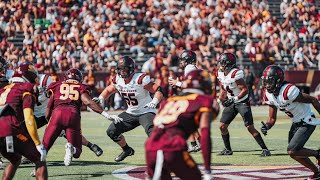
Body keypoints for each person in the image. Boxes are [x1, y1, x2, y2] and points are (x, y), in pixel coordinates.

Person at [145, 69, 219, 180]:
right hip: (172, 148)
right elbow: (205, 134)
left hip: (151, 148)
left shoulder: (168, 101)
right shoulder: (203, 101)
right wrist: (207, 170)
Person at [42, 68, 122, 166]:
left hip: (57, 114)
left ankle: (38, 167)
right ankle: (71, 148)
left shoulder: (57, 85)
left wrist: (50, 122)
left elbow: (48, 108)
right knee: (77, 152)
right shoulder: (81, 86)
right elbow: (88, 102)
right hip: (73, 115)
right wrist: (106, 115)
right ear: (79, 78)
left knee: (45, 146)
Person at [22, 74, 104, 166]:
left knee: (66, 133)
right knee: (23, 130)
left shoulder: (53, 87)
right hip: (36, 113)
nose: (44, 90)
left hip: (48, 114)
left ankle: (90, 145)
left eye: (45, 88)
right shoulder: (26, 89)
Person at [93, 56, 164, 162]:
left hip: (146, 111)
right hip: (131, 112)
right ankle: (127, 150)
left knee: (153, 133)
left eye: (125, 69)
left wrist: (154, 101)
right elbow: (109, 89)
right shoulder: (118, 79)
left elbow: (158, 89)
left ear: (131, 69)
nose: (122, 72)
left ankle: (163, 157)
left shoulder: (140, 79)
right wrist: (101, 98)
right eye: (120, 69)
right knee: (112, 131)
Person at [260, 65, 320, 179]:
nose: (267, 85)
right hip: (296, 123)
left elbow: (313, 99)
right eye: (265, 81)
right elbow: (272, 118)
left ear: (277, 81)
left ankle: (318, 154)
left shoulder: (288, 91)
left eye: (269, 81)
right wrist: (267, 126)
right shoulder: (268, 95)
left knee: (292, 150)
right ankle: (317, 172)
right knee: (294, 153)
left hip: (307, 121)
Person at [217, 52, 271, 156]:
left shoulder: (235, 73)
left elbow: (245, 90)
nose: (220, 65)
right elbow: (224, 87)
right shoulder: (220, 73)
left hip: (242, 102)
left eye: (222, 63)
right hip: (232, 101)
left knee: (250, 127)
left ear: (228, 63)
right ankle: (228, 149)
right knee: (222, 126)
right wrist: (221, 97)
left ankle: (265, 149)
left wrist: (234, 99)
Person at [0, 62, 48, 179]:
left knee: (15, 159)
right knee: (39, 158)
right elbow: (29, 117)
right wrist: (37, 143)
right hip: (9, 130)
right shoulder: (26, 88)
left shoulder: (3, 89)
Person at [168, 50, 201, 153]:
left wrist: (177, 83)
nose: (181, 62)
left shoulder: (189, 68)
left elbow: (191, 84)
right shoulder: (190, 68)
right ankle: (195, 144)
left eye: (182, 59)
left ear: (187, 60)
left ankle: (199, 144)